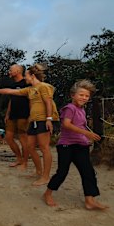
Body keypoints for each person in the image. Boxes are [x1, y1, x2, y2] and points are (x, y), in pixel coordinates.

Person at [0, 63, 59, 186]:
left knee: (44, 148)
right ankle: (38, 171)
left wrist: (49, 119)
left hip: (43, 120)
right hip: (34, 121)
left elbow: (48, 102)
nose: (25, 77)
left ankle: (46, 177)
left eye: (26, 75)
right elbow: (10, 91)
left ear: (32, 76)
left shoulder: (44, 87)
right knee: (30, 146)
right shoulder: (29, 89)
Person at [43, 80, 108, 210]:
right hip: (66, 146)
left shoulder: (82, 110)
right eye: (81, 95)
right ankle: (48, 193)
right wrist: (87, 133)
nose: (84, 98)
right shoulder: (69, 108)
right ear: (73, 95)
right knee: (62, 172)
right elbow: (66, 124)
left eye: (87, 96)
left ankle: (90, 200)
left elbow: (81, 126)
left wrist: (87, 137)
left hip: (81, 146)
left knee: (88, 172)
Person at [4, 64, 30, 169]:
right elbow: (11, 100)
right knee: (8, 137)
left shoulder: (26, 83)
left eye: (11, 70)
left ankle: (25, 161)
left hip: (23, 114)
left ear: (18, 71)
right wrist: (7, 113)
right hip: (13, 114)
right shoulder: (12, 85)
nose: (9, 71)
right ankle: (19, 158)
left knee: (23, 138)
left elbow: (31, 100)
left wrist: (31, 115)